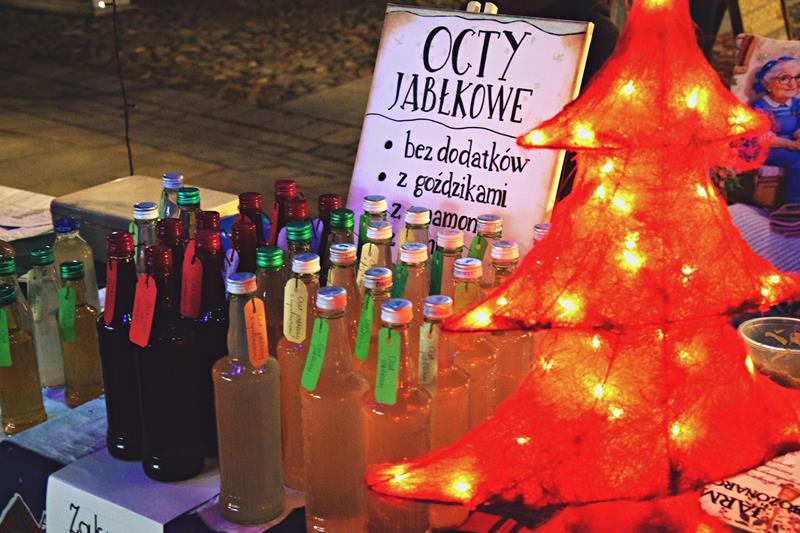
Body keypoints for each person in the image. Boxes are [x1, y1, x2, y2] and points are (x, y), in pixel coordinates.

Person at [751, 57, 800, 204]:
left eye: (797, 77)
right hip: (769, 149)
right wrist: (792, 145)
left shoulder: (796, 104)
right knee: (798, 161)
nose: (792, 84)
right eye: (784, 78)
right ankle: (794, 205)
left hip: (793, 145)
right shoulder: (761, 106)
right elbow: (763, 137)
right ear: (767, 84)